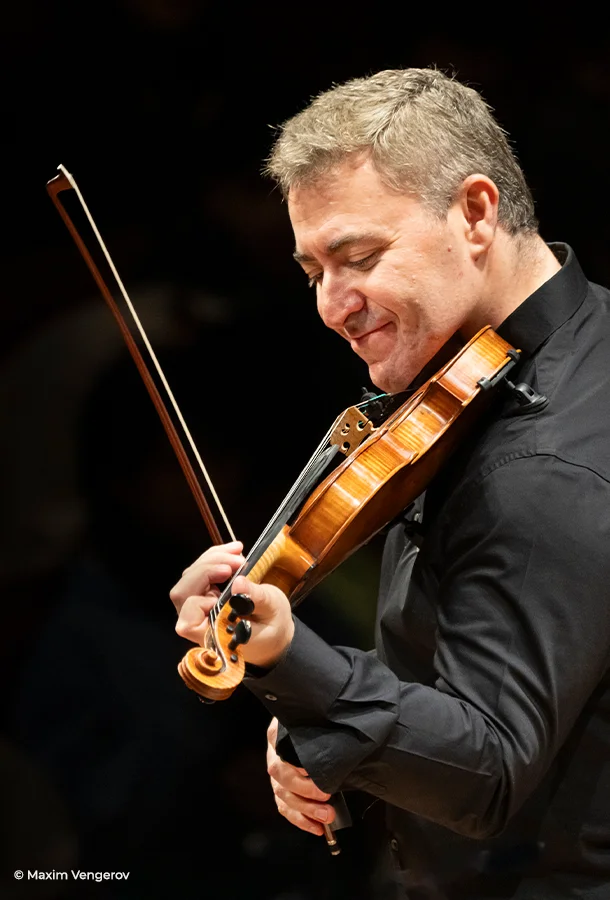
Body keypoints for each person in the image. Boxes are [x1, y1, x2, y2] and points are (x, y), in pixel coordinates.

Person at [170, 68, 610, 898]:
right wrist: (328, 725)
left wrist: (294, 661)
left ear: (476, 212)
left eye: (359, 257)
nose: (332, 305)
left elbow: (487, 773)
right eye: (312, 273)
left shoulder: (537, 467)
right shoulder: (581, 346)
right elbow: (488, 644)